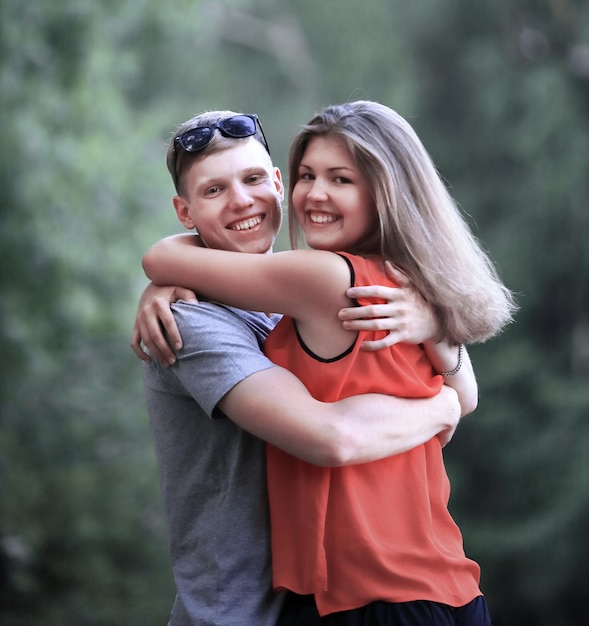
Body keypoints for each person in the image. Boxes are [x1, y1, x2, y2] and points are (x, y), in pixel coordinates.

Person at [142, 101, 517, 625]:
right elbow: (465, 393)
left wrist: (444, 407)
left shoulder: (323, 281)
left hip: (373, 598)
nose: (316, 193)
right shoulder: (403, 285)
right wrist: (448, 389)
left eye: (341, 179)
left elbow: (335, 438)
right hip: (432, 588)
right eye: (213, 190)